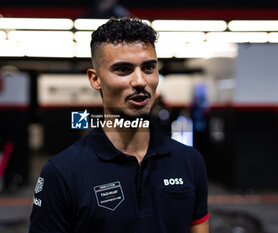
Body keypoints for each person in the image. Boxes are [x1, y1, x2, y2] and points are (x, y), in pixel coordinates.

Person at [29, 18, 209, 233]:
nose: (140, 81)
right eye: (123, 69)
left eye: (149, 67)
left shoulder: (190, 161)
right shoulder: (61, 172)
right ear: (95, 79)